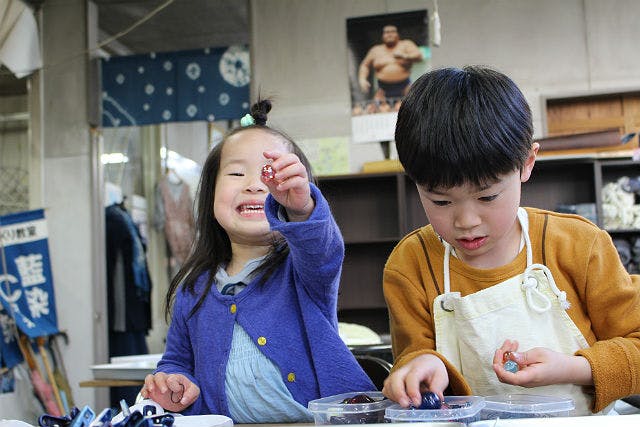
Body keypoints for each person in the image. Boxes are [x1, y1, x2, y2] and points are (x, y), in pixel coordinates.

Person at [381, 66, 640, 416]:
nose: (466, 221)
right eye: (440, 201)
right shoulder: (411, 264)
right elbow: (414, 356)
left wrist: (573, 368)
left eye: (487, 197)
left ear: (526, 164)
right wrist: (421, 367)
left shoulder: (579, 245)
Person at [139, 99, 375, 422]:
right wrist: (173, 383)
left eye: (268, 176)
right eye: (236, 173)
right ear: (210, 195)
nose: (252, 185)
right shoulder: (193, 289)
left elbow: (324, 250)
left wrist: (302, 209)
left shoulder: (304, 271)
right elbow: (177, 362)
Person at [357, 25, 423, 104]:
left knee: (412, 108)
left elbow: (419, 56)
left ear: (397, 34)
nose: (389, 34)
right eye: (386, 32)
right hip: (382, 89)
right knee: (376, 110)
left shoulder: (406, 45)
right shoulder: (376, 50)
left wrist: (404, 56)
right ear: (382, 36)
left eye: (392, 31)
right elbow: (365, 65)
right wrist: (362, 79)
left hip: (404, 87)